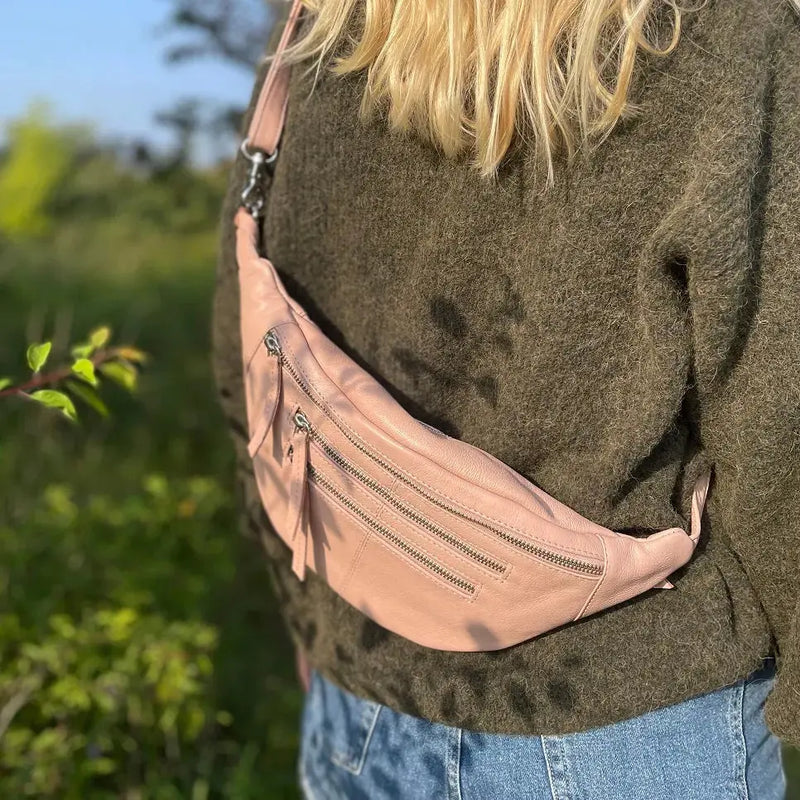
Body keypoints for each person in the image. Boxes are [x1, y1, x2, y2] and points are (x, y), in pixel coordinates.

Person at [212, 0, 800, 796]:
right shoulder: (723, 36)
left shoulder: (318, 34)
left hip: (359, 692)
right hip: (632, 716)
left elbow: (244, 345)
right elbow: (778, 426)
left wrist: (307, 607)